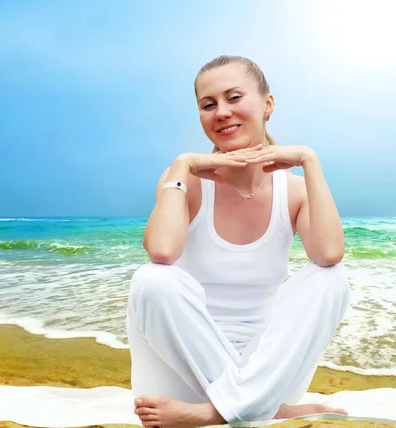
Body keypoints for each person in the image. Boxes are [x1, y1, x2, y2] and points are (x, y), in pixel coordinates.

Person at [126, 55, 350, 428]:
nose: (222, 113)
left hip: (265, 371)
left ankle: (222, 412)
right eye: (208, 105)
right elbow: (162, 251)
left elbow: (329, 253)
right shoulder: (185, 181)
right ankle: (262, 411)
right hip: (180, 370)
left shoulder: (292, 190)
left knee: (332, 279)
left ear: (267, 105)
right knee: (151, 279)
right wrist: (182, 165)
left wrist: (310, 161)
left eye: (234, 97)